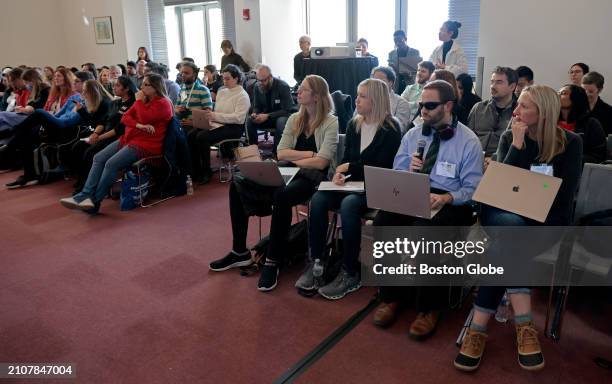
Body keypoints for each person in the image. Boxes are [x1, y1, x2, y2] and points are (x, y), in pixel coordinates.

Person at [454, 85, 582, 372]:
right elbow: (499, 188)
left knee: (510, 240)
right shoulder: (513, 136)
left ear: (544, 112)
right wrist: (518, 146)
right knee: (513, 229)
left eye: (524, 106)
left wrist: (526, 204)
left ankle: (477, 328)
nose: (516, 111)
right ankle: (524, 326)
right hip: (501, 214)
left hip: (545, 222)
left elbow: (563, 197)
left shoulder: (571, 143)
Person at [372, 80, 483, 338]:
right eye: (421, 105)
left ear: (448, 105)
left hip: (452, 203)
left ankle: (429, 308)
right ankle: (391, 296)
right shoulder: (413, 135)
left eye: (430, 106)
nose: (423, 110)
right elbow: (396, 172)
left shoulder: (468, 141)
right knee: (383, 222)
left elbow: (472, 189)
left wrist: (446, 198)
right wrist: (407, 171)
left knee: (426, 233)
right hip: (414, 194)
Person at [209, 74, 338, 292]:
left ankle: (273, 259)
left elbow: (322, 162)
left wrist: (299, 158)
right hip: (288, 169)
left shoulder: (330, 121)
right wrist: (309, 153)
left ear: (316, 96)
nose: (298, 92)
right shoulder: (295, 118)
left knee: (282, 195)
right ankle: (239, 252)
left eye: (303, 89)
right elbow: (281, 151)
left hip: (313, 177)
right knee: (238, 182)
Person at [298, 78, 401, 299]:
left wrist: (349, 167)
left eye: (362, 96)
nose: (357, 99)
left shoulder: (391, 129)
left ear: (376, 100)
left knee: (349, 204)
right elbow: (346, 159)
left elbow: (382, 167)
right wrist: (340, 173)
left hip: (376, 189)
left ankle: (350, 271)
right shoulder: (354, 125)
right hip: (353, 185)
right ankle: (317, 261)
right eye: (358, 94)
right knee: (318, 199)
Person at [59, 74, 173, 213]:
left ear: (155, 87)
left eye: (145, 84)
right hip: (129, 138)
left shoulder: (163, 103)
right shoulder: (144, 101)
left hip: (145, 145)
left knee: (111, 164)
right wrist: (139, 125)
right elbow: (125, 118)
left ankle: (95, 202)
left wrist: (138, 104)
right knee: (98, 158)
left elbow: (144, 117)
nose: (141, 87)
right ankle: (85, 194)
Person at [4, 71, 97, 189]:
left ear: (86, 84)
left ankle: (11, 135)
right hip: (58, 125)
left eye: (77, 82)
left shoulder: (87, 101)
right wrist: (49, 121)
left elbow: (69, 122)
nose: (74, 83)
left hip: (68, 130)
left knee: (38, 112)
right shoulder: (74, 97)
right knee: (26, 136)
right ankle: (29, 175)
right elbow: (58, 115)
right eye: (73, 81)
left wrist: (49, 119)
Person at [70, 76, 137, 193]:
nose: (114, 87)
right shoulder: (114, 103)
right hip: (104, 133)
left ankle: (89, 185)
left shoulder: (132, 104)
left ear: (126, 89)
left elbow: (119, 129)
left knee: (90, 152)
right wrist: (95, 134)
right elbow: (103, 121)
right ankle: (82, 180)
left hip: (115, 137)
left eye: (117, 85)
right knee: (78, 147)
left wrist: (98, 138)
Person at [188, 64, 249, 184]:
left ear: (236, 78)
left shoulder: (242, 95)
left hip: (234, 127)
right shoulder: (222, 92)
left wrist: (215, 116)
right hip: (218, 123)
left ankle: (206, 171)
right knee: (191, 135)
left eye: (227, 78)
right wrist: (211, 115)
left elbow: (238, 118)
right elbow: (218, 112)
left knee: (202, 137)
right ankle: (196, 170)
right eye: (223, 78)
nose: (224, 81)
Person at [175, 61, 213, 183]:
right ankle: (187, 170)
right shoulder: (181, 89)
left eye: (186, 73)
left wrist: (193, 122)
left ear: (194, 74)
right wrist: (178, 109)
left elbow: (208, 113)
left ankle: (204, 170)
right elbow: (176, 107)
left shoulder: (203, 89)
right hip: (183, 122)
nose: (183, 75)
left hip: (198, 125)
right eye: (182, 73)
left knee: (192, 136)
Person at [468, 66, 518, 158]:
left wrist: (494, 159)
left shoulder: (518, 112)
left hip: (502, 163)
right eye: (492, 82)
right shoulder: (478, 108)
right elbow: (467, 138)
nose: (493, 86)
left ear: (512, 86)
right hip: (475, 158)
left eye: (499, 82)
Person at [247, 65, 293, 151]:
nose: (261, 83)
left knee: (281, 122)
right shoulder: (257, 86)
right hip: (265, 117)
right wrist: (254, 113)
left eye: (263, 80)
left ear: (270, 77)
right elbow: (256, 106)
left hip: (280, 116)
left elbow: (287, 109)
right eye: (259, 80)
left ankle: (277, 152)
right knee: (249, 120)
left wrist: (268, 115)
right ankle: (253, 150)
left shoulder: (282, 86)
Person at [559, 84, 606, 164]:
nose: (557, 95)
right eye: (558, 92)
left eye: (563, 93)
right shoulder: (550, 121)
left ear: (576, 98)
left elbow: (598, 155)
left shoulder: (591, 124)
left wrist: (571, 159)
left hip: (578, 168)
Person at [370, 66, 411, 134]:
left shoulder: (402, 103)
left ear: (391, 82)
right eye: (374, 81)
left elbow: (399, 129)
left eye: (381, 81)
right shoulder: (366, 99)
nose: (377, 84)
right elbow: (355, 122)